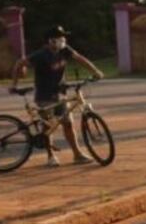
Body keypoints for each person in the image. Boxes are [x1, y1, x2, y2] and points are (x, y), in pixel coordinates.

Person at [10, 26, 104, 167]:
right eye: (59, 38)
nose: (62, 40)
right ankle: (50, 157)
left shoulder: (65, 50)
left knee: (68, 124)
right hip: (44, 95)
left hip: (61, 94)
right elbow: (20, 63)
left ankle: (77, 154)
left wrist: (96, 71)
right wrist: (14, 84)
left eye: (63, 38)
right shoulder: (41, 55)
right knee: (47, 127)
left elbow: (80, 59)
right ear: (50, 41)